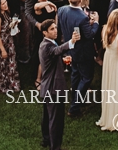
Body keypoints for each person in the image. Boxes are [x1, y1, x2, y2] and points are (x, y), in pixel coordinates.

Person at [56, 0, 97, 116]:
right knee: (86, 78)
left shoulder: (62, 10)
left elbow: (61, 27)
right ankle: (74, 107)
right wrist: (96, 23)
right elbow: (89, 35)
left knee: (75, 75)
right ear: (81, 0)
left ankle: (76, 98)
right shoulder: (82, 17)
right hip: (83, 51)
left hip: (70, 48)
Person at [38, 19, 71, 150]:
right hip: (54, 88)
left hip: (47, 88)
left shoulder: (46, 44)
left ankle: (46, 139)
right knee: (56, 120)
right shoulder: (47, 46)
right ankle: (55, 146)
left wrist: (62, 60)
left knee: (47, 116)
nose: (55, 31)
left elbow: (53, 55)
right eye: (52, 29)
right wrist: (72, 42)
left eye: (56, 27)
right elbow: (56, 50)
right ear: (44, 32)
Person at [96, 9, 118, 131]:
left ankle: (108, 115)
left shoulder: (104, 29)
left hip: (108, 60)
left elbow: (106, 46)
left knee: (110, 87)